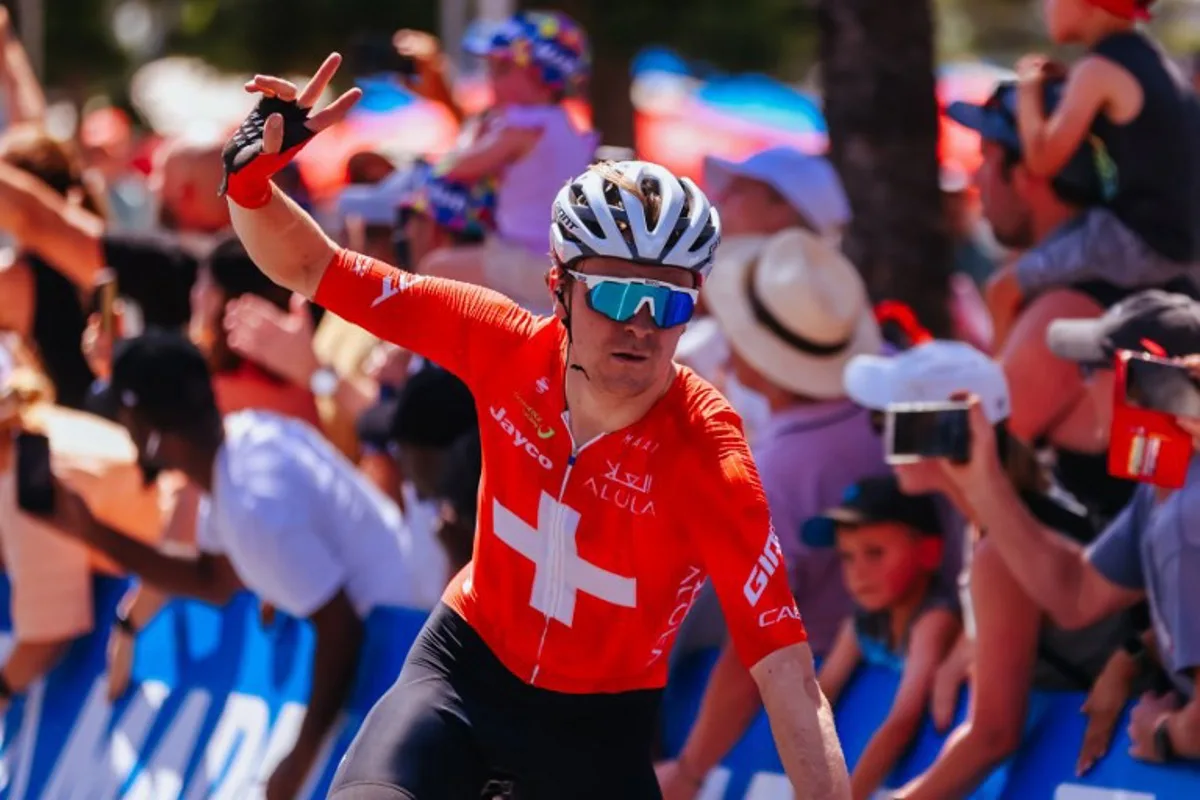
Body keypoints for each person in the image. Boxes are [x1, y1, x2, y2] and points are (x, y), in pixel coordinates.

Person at [220, 53, 848, 799]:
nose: (641, 327)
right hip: (463, 673)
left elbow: (787, 673)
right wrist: (251, 183)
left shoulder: (709, 453)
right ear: (559, 288)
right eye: (616, 296)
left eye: (669, 304)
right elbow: (314, 267)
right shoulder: (501, 342)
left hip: (598, 731)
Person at [39, 330, 437, 799]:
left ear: (147, 432)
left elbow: (341, 631)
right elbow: (213, 580)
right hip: (403, 637)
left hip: (398, 649)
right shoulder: (245, 447)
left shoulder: (252, 506)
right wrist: (89, 531)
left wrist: (299, 760)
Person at [657, 227, 887, 799]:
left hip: (826, 703)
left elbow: (756, 644)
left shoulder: (776, 474)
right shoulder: (882, 412)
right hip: (868, 688)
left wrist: (689, 769)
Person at [932, 289, 1200, 765]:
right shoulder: (1165, 487)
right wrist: (984, 482)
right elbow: (1076, 594)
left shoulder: (1185, 517)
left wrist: (1164, 735)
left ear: (1142, 381)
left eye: (1088, 370)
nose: (1081, 387)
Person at [1003, 0, 1199, 297]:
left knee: (1003, 289)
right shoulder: (1149, 59)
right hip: (1182, 241)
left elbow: (1041, 160)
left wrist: (1027, 89)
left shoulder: (1097, 69)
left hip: (1144, 243)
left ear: (1089, 5)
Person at [417, 10, 597, 314]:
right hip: (558, 260)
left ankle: (423, 359)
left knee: (433, 268)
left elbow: (457, 168)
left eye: (502, 68)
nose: (490, 77)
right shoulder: (562, 124)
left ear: (543, 76)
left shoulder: (523, 126)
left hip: (532, 260)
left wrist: (470, 141)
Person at [803, 476, 961, 800]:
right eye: (846, 557)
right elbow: (822, 695)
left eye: (875, 553)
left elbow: (902, 721)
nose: (857, 572)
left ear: (929, 552)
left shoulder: (935, 619)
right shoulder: (861, 620)